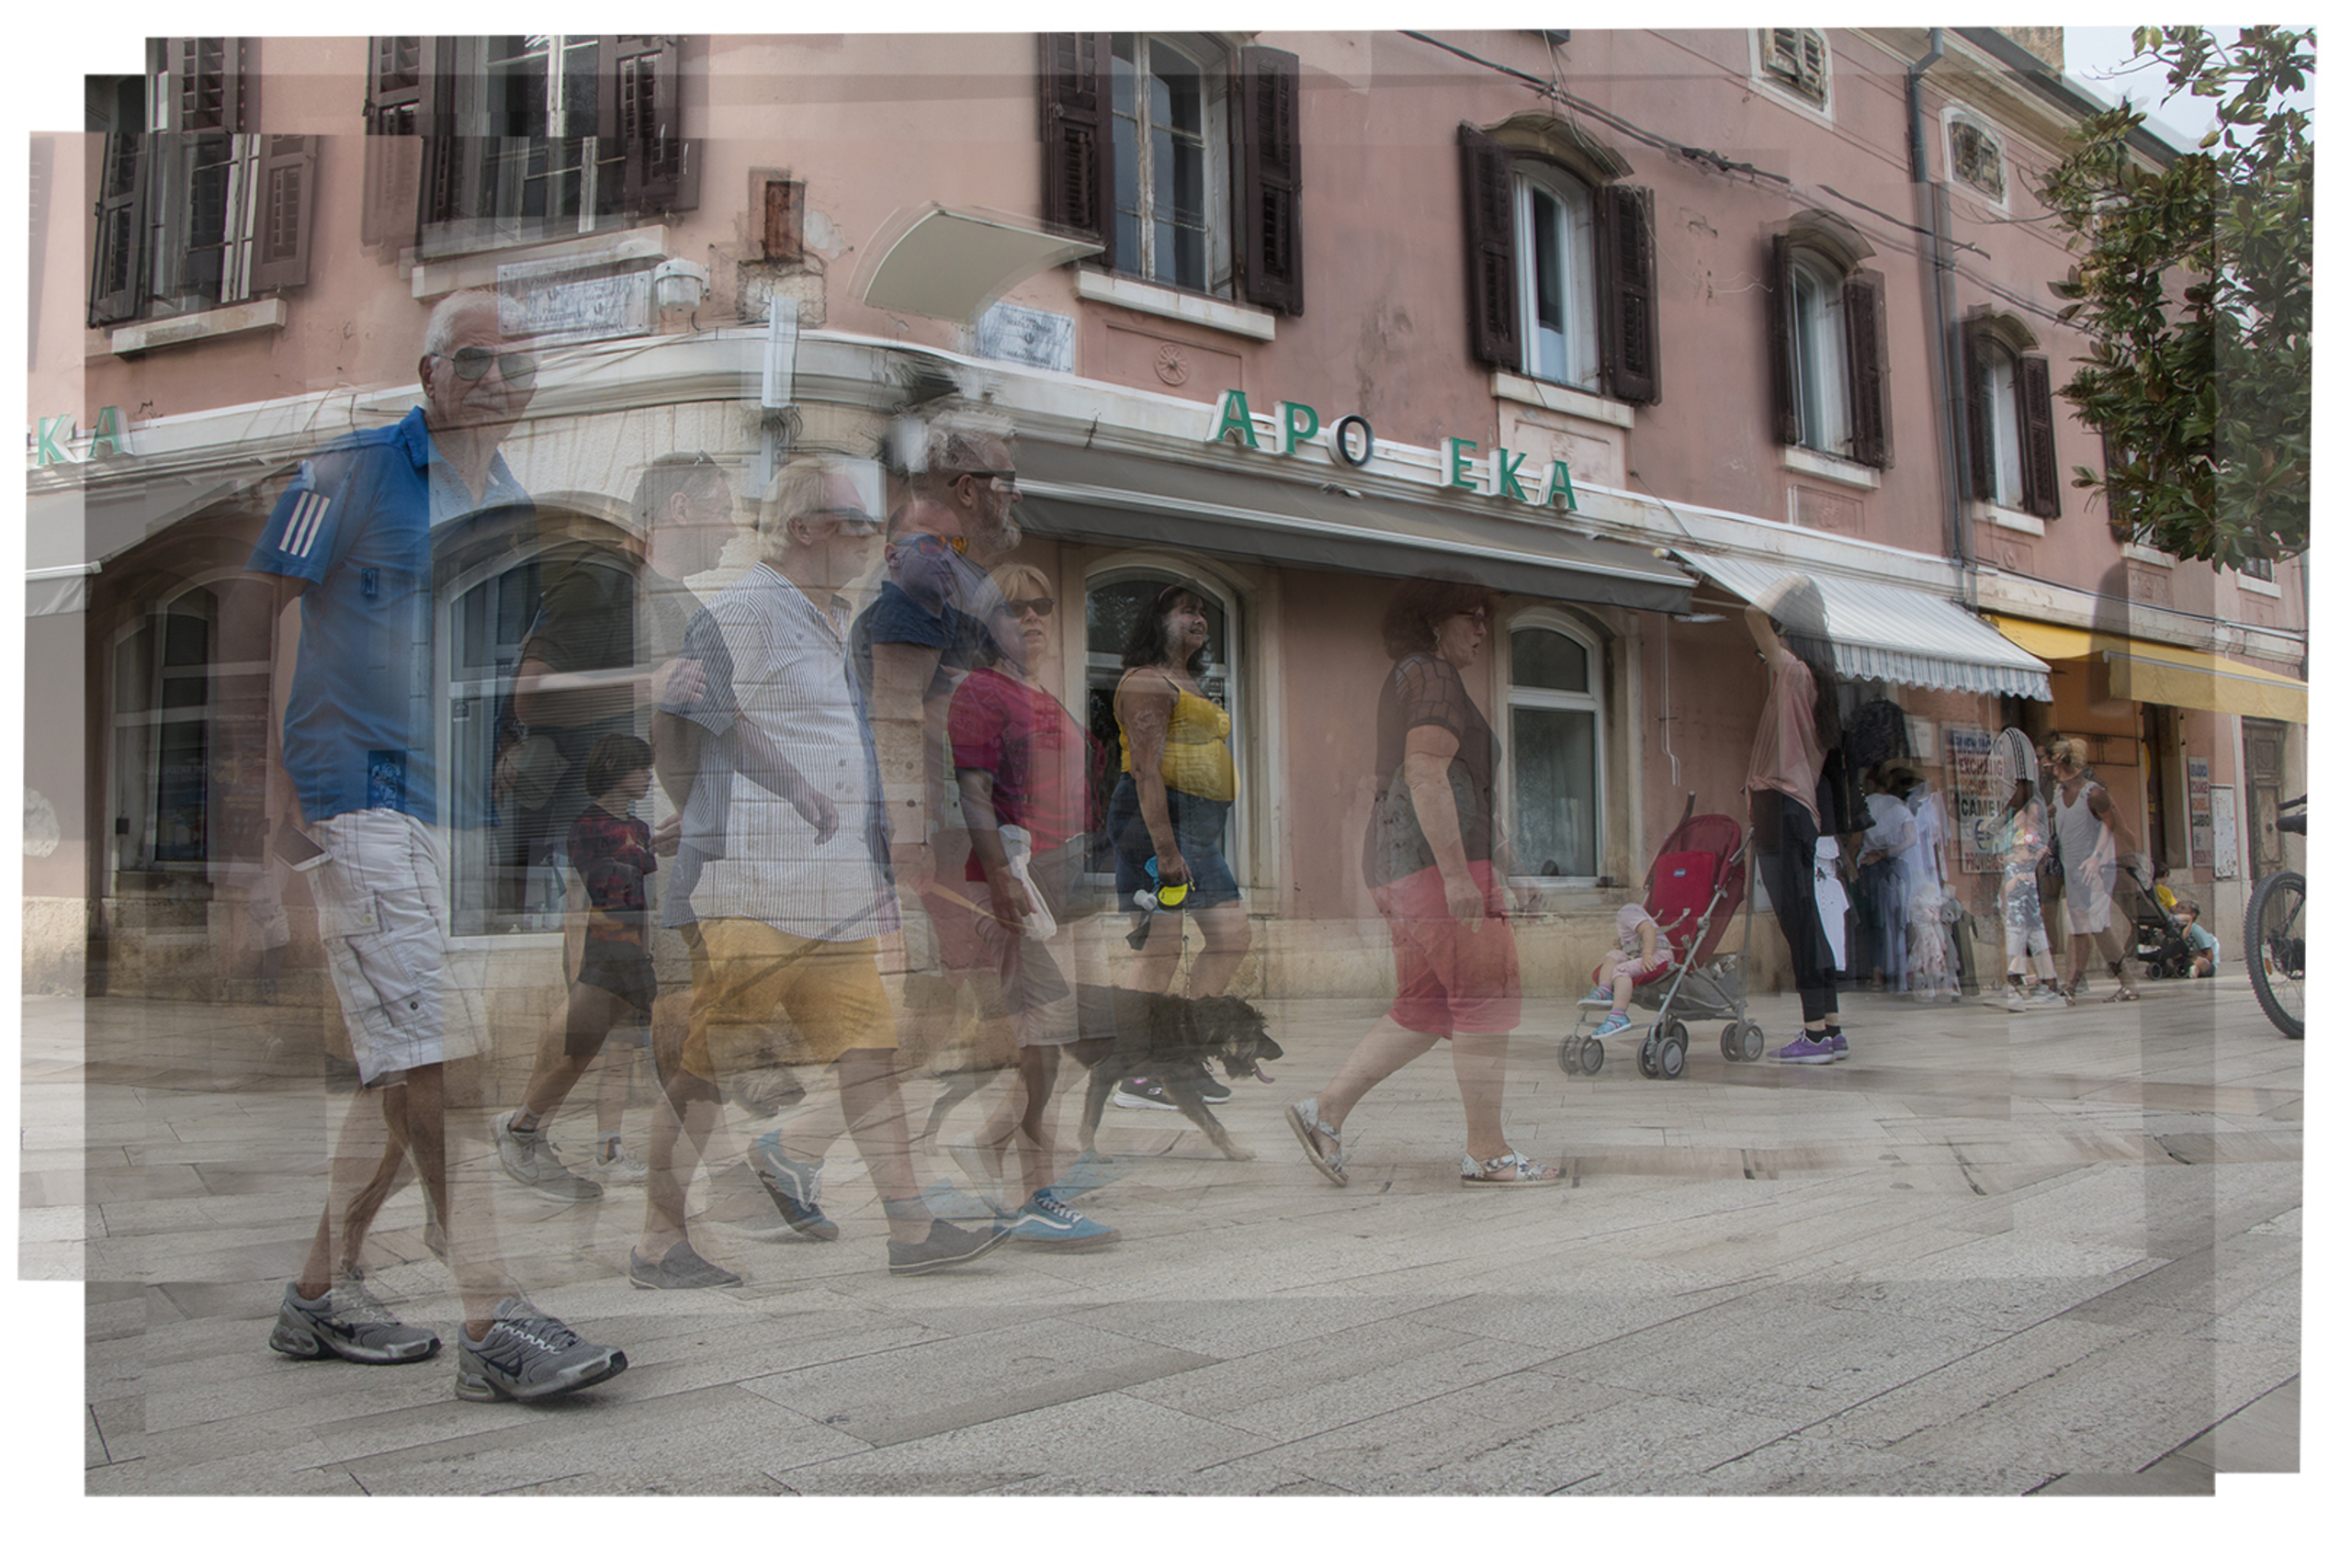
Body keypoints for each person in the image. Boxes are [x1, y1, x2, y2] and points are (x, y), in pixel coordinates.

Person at [247, 288, 626, 1401]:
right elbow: (268, 610)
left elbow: (490, 668)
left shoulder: (506, 502)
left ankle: (315, 1298)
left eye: (518, 365)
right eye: (474, 361)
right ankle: (492, 1319)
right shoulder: (350, 469)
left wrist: (502, 754)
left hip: (436, 812)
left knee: (400, 1059)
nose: (497, 381)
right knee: (431, 1057)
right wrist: (271, 812)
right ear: (429, 374)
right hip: (350, 795)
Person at [635, 455, 1007, 1285]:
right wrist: (703, 813)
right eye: (856, 523)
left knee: (869, 1050)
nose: (873, 539)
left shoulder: (835, 618)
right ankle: (658, 1239)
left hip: (831, 888)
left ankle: (911, 1226)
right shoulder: (741, 613)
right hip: (752, 887)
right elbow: (678, 722)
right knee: (706, 1067)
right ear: (804, 528)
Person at [491, 453, 736, 1197]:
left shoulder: (685, 608)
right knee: (624, 993)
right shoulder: (600, 581)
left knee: (628, 998)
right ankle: (531, 1130)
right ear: (681, 509)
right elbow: (531, 697)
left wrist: (699, 808)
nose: (732, 528)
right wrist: (645, 683)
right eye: (723, 510)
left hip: (651, 836)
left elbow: (696, 727)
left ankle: (575, 1138)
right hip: (596, 834)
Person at [1286, 576, 1560, 1189]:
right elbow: (1427, 774)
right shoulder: (1432, 675)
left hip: (1403, 866)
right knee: (1486, 1000)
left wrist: (1512, 870)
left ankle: (1323, 1111)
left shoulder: (1422, 676)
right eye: (1472, 616)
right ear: (1435, 621)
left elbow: (1467, 792)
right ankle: (1487, 1152)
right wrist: (1460, 876)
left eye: (1487, 617)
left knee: (1425, 1006)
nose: (1483, 629)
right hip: (1435, 867)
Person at [932, 562, 1116, 1245]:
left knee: (1066, 1038)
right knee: (1044, 1038)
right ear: (989, 622)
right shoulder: (982, 691)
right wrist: (1002, 881)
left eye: (1043, 605)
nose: (1033, 617)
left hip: (1064, 886)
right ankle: (1033, 1193)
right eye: (1015, 608)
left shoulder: (1040, 691)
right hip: (1018, 886)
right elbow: (973, 791)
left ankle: (991, 1146)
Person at [1106, 581, 1250, 1110]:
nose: (1199, 620)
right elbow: (1145, 770)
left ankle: (1182, 1055)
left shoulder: (1187, 681)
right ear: (1157, 621)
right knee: (1160, 947)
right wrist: (1166, 853)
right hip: (1155, 824)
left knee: (1231, 937)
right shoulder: (1147, 680)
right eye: (1186, 611)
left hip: (1198, 829)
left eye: (1203, 612)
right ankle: (1136, 1072)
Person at [1740, 574, 1849, 1064]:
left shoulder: (1792, 674)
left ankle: (1815, 1034)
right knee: (1809, 920)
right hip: (1800, 811)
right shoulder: (1821, 687)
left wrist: (1787, 581)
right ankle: (1830, 1026)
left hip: (1779, 808)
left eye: (1781, 631)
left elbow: (1752, 614)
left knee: (1796, 922)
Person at [2046, 734, 2143, 1002]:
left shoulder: (2094, 793)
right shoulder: (2059, 794)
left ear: (2062, 763)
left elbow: (2113, 824)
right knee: (2079, 926)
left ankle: (2127, 984)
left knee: (2098, 925)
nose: (2049, 769)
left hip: (2096, 871)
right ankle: (2072, 985)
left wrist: (2098, 856)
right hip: (2073, 871)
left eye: (2051, 764)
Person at [1988, 730, 2066, 1009]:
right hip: (2021, 855)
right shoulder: (2012, 748)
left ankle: (2019, 981)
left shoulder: (2015, 745)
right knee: (2028, 923)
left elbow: (2026, 793)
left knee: (2019, 922)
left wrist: (2000, 827)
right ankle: (2042, 980)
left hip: (2021, 857)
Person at [1895, 770, 1962, 1001]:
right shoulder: (1909, 808)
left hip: (1926, 871)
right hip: (1917, 871)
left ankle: (1934, 978)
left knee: (1931, 931)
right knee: (1922, 928)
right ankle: (1925, 979)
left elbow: (1938, 841)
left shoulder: (1931, 804)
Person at [1856, 768, 1918, 991]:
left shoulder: (1865, 805)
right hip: (1898, 867)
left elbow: (1856, 838)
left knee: (1875, 922)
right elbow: (1911, 839)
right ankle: (1904, 971)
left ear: (1872, 783)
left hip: (1871, 866)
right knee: (1901, 920)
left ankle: (1877, 973)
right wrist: (1888, 852)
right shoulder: (1899, 806)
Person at [1582, 901, 1670, 1043]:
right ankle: (1604, 991)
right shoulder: (1625, 914)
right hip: (1636, 954)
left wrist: (1647, 954)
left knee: (1621, 970)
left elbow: (1649, 930)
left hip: (1658, 955)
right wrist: (1623, 944)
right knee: (1612, 955)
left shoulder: (1628, 911)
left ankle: (1618, 1016)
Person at [2177, 897, 2219, 977]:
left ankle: (2195, 969)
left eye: (2183, 908)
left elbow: (2210, 956)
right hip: (2185, 960)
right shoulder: (2177, 929)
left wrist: (2191, 954)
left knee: (2201, 962)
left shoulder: (2196, 930)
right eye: (2177, 907)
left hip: (2202, 960)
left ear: (2193, 914)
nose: (2178, 910)